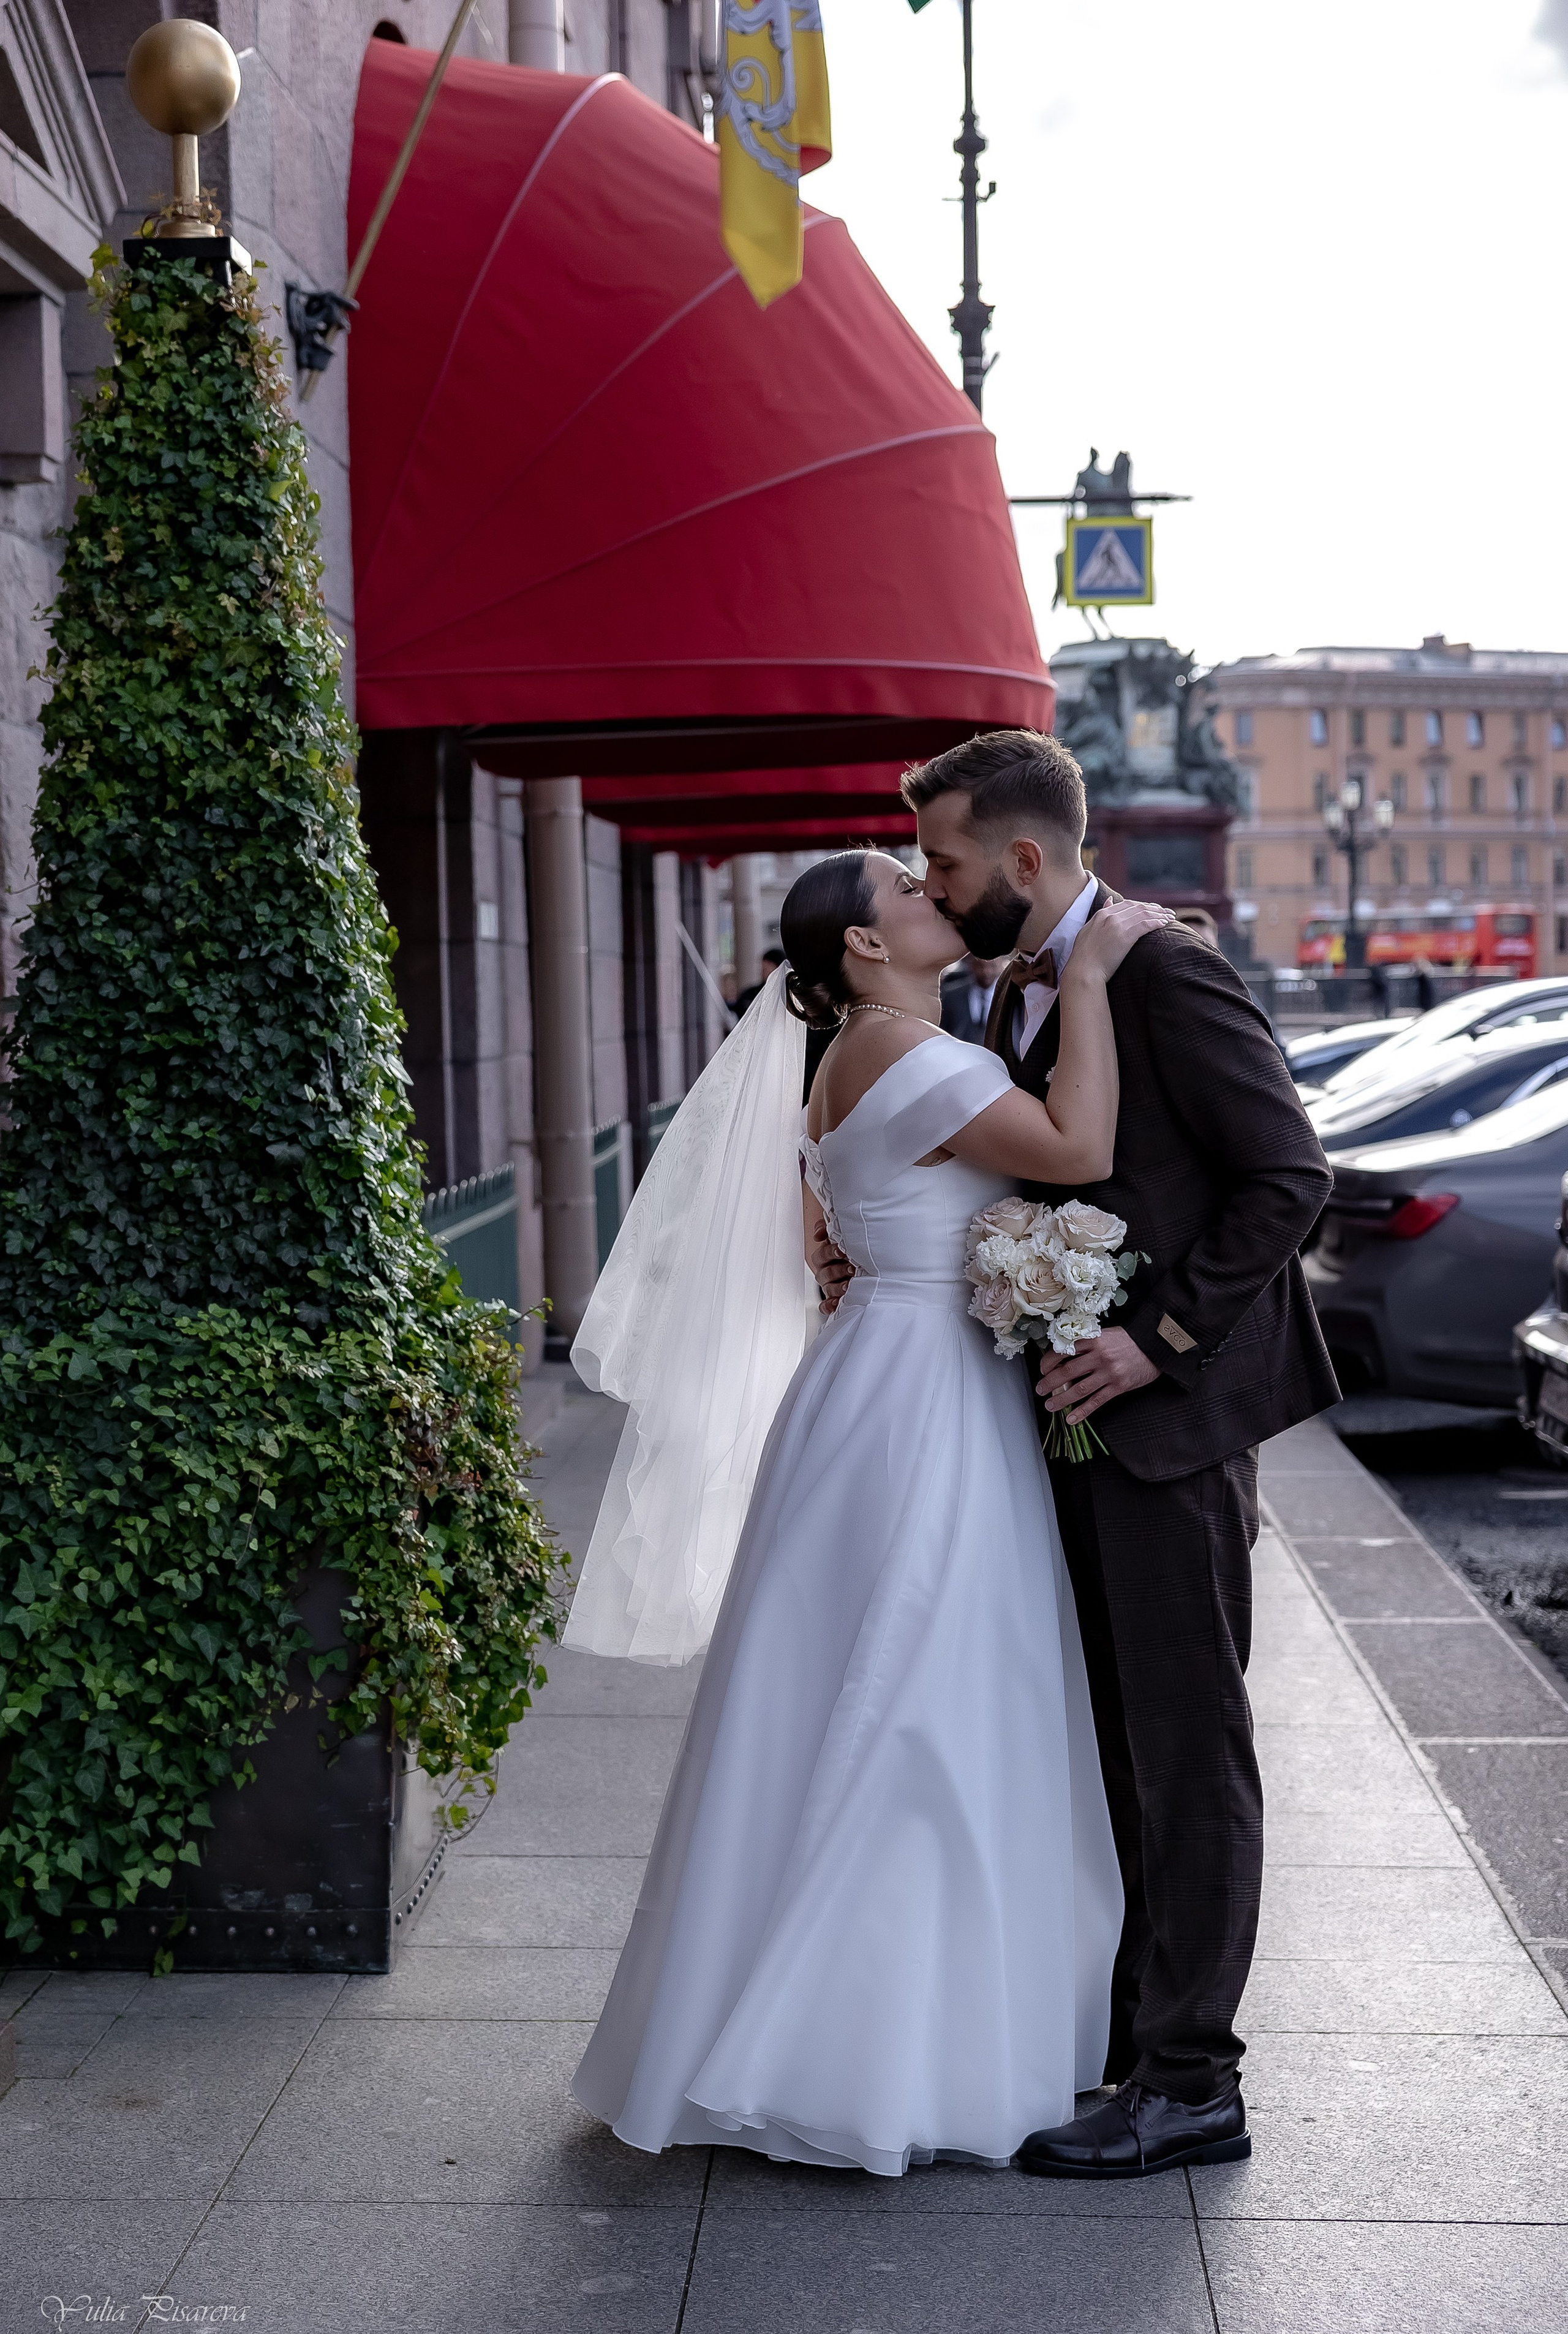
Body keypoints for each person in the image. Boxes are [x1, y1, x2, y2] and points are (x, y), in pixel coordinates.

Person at [564, 850, 1174, 2173]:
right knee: (922, 1694)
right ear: (861, 944)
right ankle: (874, 2053)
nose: (930, 894)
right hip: (922, 1401)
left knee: (852, 1688)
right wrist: (1087, 976)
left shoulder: (848, 1053)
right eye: (904, 886)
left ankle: (830, 2022)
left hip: (873, 1380)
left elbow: (821, 1224)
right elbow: (1077, 1148)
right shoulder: (911, 1050)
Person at [833, 728, 1332, 2180]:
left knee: (1186, 1750)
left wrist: (1154, 1343)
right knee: (1114, 1744)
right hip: (1070, 1424)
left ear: (1021, 857)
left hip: (1167, 1430)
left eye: (942, 862)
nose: (931, 883)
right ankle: (1126, 2041)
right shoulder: (1014, 984)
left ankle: (1191, 2084)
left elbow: (1286, 1174)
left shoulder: (1160, 968)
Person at [939, 950, 1010, 1043]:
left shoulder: (1010, 995)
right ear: (971, 965)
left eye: (992, 966)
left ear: (1002, 965)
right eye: (980, 966)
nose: (986, 972)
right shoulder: (952, 995)